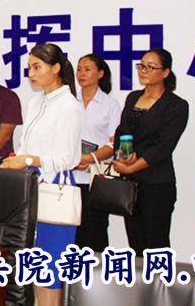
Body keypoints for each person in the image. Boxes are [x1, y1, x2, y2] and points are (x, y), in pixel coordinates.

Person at [1, 43, 81, 306]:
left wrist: (29, 160)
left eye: (37, 67)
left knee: (51, 269)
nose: (31, 74)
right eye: (29, 68)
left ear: (56, 68)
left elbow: (69, 159)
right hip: (30, 188)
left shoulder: (68, 105)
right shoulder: (35, 102)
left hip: (54, 190)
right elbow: (25, 144)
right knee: (34, 266)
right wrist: (17, 160)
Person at [110, 48, 189, 255]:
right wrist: (121, 156)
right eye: (141, 66)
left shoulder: (176, 105)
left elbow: (163, 147)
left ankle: (160, 278)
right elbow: (121, 132)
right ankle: (139, 278)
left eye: (150, 67)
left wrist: (133, 166)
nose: (143, 70)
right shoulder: (133, 97)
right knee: (135, 243)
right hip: (130, 184)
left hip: (157, 183)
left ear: (165, 72)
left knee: (156, 244)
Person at [73, 54, 121, 252]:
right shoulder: (70, 101)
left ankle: (97, 271)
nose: (81, 74)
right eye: (79, 69)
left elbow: (114, 143)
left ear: (100, 73)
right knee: (72, 232)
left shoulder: (110, 105)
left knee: (95, 231)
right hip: (70, 176)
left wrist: (89, 158)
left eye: (87, 69)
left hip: (96, 178)